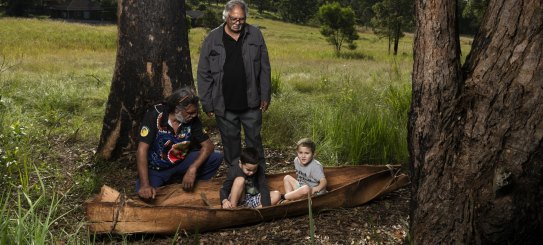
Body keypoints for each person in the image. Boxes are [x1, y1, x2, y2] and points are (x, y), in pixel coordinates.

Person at [197, 0, 271, 169]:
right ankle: (235, 180)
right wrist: (207, 103)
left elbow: (265, 68)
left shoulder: (255, 35)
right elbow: (203, 74)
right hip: (224, 105)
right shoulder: (212, 38)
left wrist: (265, 95)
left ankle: (259, 181)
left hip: (251, 103)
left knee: (254, 144)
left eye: (241, 19)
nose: (237, 23)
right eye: (233, 19)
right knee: (231, 146)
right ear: (226, 16)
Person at [136, 87, 223, 199]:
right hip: (157, 168)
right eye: (191, 112)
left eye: (196, 112)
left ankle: (195, 186)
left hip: (181, 162)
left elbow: (208, 146)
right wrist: (145, 185)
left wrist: (193, 168)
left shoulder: (192, 119)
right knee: (146, 196)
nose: (195, 115)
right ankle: (166, 181)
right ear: (177, 109)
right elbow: (141, 150)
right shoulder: (154, 114)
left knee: (216, 157)